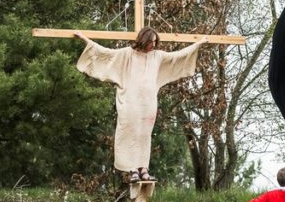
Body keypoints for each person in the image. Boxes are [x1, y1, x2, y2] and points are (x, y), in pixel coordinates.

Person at [75, 27, 207, 182]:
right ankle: (132, 169)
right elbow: (105, 53)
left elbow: (178, 56)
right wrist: (85, 39)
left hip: (149, 103)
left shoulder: (157, 56)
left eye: (155, 42)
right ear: (143, 39)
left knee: (144, 135)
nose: (153, 44)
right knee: (129, 132)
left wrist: (198, 44)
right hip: (130, 102)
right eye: (151, 41)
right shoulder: (127, 54)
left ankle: (143, 168)